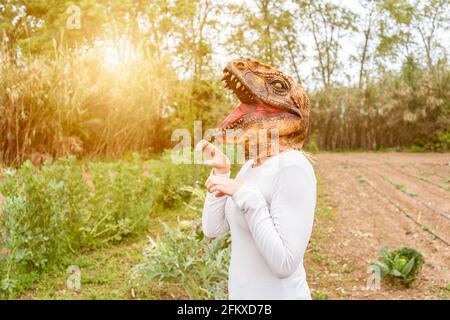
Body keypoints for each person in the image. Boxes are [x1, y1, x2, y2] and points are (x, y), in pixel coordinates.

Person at [197, 138, 317, 300]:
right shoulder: (249, 166)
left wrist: (248, 196)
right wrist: (222, 172)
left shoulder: (292, 165)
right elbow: (213, 229)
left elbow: (285, 264)